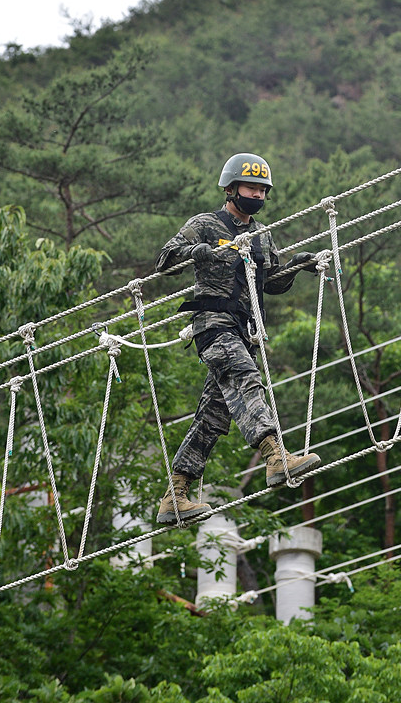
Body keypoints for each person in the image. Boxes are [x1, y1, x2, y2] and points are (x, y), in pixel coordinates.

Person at [155, 152, 321, 524]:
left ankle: (175, 494)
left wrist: (297, 266)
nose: (257, 196)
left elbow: (271, 282)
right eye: (251, 188)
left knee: (213, 417)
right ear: (231, 189)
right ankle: (276, 456)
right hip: (213, 324)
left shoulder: (260, 236)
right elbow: (164, 260)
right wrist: (197, 250)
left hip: (244, 330)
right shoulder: (206, 224)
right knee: (247, 380)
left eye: (263, 190)